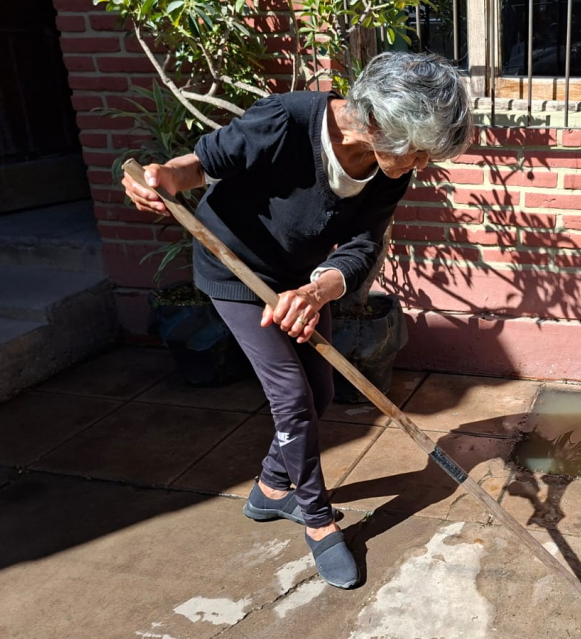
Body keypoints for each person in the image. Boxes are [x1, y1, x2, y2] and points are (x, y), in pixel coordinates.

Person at [122, 51, 474, 588]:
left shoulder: (388, 169)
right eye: (418, 150)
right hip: (235, 269)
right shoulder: (285, 120)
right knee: (291, 396)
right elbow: (200, 164)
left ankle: (270, 489)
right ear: (379, 121)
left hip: (298, 282)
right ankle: (317, 520)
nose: (421, 164)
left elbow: (362, 245)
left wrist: (317, 289)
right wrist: (163, 177)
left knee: (321, 391)